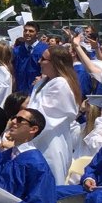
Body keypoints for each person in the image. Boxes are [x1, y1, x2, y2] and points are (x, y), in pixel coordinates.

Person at [26, 45, 80, 183]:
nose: (39, 61)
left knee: (48, 184)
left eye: (43, 59)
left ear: (56, 63)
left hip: (50, 143)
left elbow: (45, 117)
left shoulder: (60, 84)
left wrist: (24, 133)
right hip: (36, 140)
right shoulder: (44, 82)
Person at [0, 108, 56, 203]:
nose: (13, 121)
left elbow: (40, 200)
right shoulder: (5, 155)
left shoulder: (37, 164)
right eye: (14, 118)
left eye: (20, 120)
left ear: (33, 129)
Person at [13, 22, 49, 94]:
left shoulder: (45, 50)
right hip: (19, 91)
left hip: (38, 90)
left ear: (37, 34)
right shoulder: (16, 50)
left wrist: (43, 78)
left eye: (31, 31)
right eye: (25, 30)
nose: (27, 33)